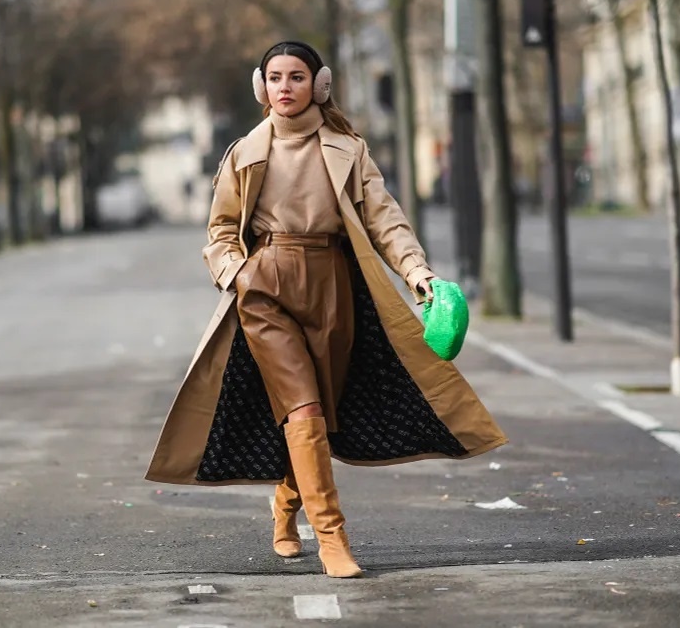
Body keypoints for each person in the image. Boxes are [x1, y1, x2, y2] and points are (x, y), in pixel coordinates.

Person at [146, 41, 507, 578]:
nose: (284, 87)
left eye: (296, 77)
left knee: (322, 413)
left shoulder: (347, 149)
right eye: (274, 77)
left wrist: (417, 274)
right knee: (303, 408)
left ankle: (286, 506)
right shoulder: (244, 153)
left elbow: (386, 221)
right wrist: (239, 274)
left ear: (319, 85)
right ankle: (333, 539)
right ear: (260, 86)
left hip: (335, 286)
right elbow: (220, 231)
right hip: (265, 290)